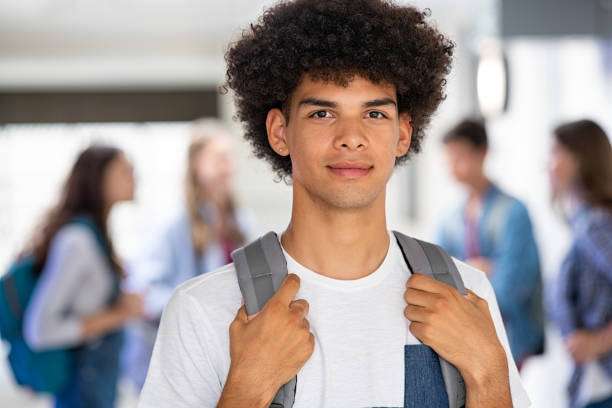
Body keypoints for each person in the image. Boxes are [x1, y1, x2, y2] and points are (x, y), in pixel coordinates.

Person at [138, 1, 531, 407]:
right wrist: (247, 388)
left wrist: (488, 372)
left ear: (402, 133)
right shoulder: (203, 311)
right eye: (323, 112)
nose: (351, 137)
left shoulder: (468, 296)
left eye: (375, 113)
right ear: (279, 132)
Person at [122, 119, 252, 390]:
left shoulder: (241, 222)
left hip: (229, 360)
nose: (227, 167)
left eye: (229, 158)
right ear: (196, 165)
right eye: (218, 159)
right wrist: (200, 310)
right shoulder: (171, 225)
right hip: (182, 365)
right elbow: (144, 293)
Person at [22, 145, 144, 408]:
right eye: (125, 171)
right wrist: (120, 313)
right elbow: (39, 329)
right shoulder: (77, 242)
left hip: (98, 391)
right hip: (79, 395)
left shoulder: (97, 238)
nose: (135, 178)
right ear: (99, 179)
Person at [437, 118, 544, 370]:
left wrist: (460, 272)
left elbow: (511, 287)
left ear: (482, 152)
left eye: (460, 156)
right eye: (449, 158)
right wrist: (477, 270)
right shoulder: (451, 218)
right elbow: (433, 276)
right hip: (463, 336)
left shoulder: (514, 212)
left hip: (509, 335)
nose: (453, 167)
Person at [548, 119, 612, 408]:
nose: (548, 164)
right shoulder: (582, 221)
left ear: (581, 159)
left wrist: (600, 341)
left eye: (556, 153)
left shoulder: (596, 224)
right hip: (591, 383)